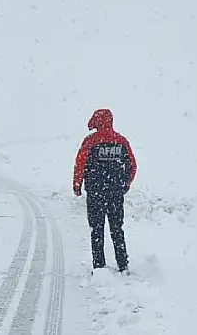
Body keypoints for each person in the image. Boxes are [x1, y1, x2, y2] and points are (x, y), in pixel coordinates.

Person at [73, 108, 137, 273]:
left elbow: (80, 164)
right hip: (115, 194)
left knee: (96, 229)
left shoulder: (90, 141)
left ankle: (99, 265)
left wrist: (77, 185)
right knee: (117, 229)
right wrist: (125, 184)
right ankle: (122, 264)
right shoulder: (121, 141)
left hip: (95, 194)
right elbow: (132, 166)